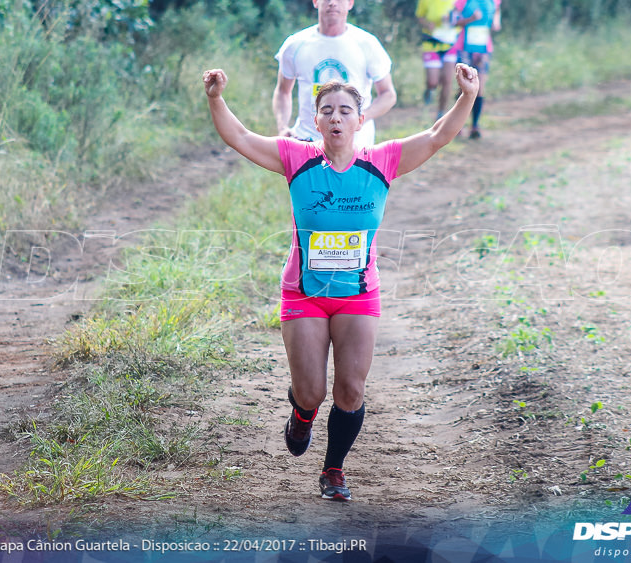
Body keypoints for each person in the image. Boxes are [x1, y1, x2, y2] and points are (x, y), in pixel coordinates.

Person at [203, 62, 480, 501]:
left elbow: (436, 137)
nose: (336, 117)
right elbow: (239, 138)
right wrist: (216, 98)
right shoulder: (295, 157)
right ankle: (303, 413)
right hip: (304, 295)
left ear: (360, 119)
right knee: (311, 391)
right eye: (327, 110)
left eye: (345, 110)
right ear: (316, 121)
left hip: (358, 295)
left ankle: (333, 470)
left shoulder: (382, 161)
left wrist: (467, 95)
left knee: (351, 389)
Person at [273, 0, 397, 149]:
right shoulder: (295, 45)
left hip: (356, 143)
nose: (332, 3)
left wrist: (359, 119)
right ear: (315, 1)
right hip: (307, 141)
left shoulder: (367, 44)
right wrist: (283, 127)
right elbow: (283, 91)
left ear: (350, 3)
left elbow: (388, 94)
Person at [452, 0, 501, 139]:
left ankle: (475, 126)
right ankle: (456, 126)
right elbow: (454, 21)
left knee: (480, 88)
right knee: (464, 88)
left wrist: (496, 22)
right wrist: (471, 19)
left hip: (484, 49)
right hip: (465, 48)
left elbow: (496, 13)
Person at [414, 0, 464, 119]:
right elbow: (419, 16)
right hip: (432, 42)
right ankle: (429, 89)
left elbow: (465, 16)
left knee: (448, 80)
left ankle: (441, 113)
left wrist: (455, 20)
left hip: (451, 43)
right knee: (433, 81)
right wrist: (427, 23)